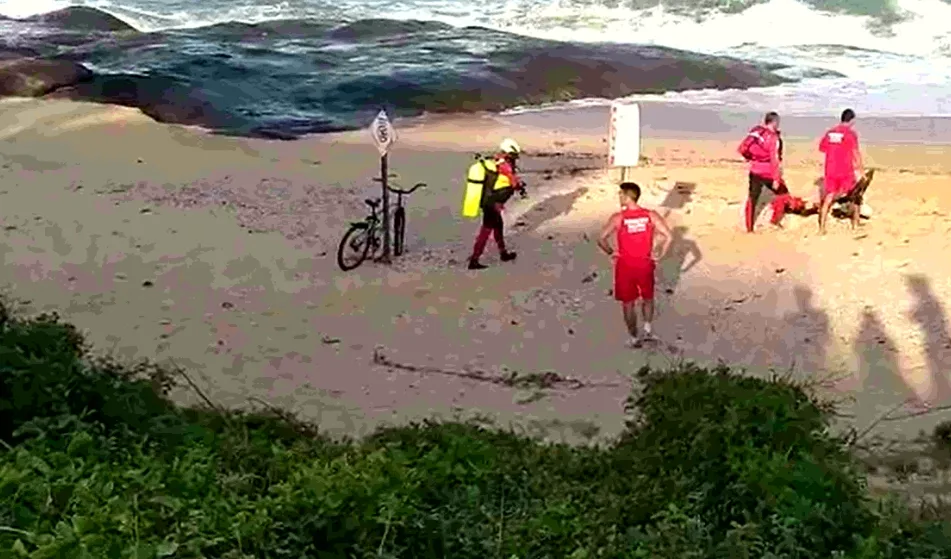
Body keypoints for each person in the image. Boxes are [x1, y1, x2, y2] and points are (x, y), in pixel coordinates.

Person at [597, 182, 672, 348]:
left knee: (628, 302)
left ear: (627, 196)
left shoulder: (618, 218)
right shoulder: (650, 215)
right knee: (648, 297)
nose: (619, 197)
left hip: (625, 265)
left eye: (621, 194)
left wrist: (611, 252)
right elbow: (668, 236)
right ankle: (647, 329)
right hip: (645, 263)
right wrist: (659, 254)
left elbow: (601, 238)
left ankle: (633, 336)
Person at [467, 138, 527, 270]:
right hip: (493, 203)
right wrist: (519, 186)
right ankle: (474, 260)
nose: (516, 157)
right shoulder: (505, 164)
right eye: (514, 154)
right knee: (486, 230)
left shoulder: (497, 160)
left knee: (498, 227)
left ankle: (503, 253)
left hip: (489, 201)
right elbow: (513, 182)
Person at [818, 108, 864, 234]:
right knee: (856, 194)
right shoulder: (850, 134)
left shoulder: (830, 132)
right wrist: (861, 170)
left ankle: (822, 228)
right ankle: (856, 224)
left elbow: (822, 148)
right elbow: (856, 153)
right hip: (845, 170)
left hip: (830, 169)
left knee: (828, 197)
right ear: (852, 120)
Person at [737, 111, 783, 232]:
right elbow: (775, 159)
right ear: (775, 122)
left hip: (754, 170)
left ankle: (749, 228)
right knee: (783, 194)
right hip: (768, 171)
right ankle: (775, 220)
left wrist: (749, 158)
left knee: (752, 199)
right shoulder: (773, 138)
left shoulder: (756, 131)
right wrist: (776, 178)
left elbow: (742, 148)